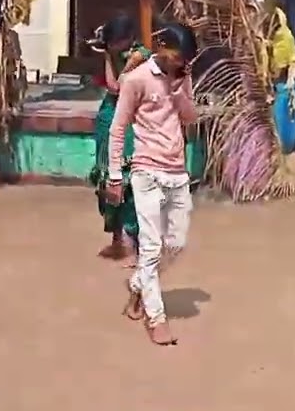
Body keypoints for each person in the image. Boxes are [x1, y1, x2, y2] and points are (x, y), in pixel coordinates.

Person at [106, 22, 200, 346]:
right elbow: (118, 129)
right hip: (146, 169)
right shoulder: (136, 80)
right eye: (177, 57)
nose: (180, 63)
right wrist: (115, 176)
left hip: (177, 171)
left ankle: (137, 286)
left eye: (184, 60)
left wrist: (178, 89)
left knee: (175, 243)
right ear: (161, 47)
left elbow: (190, 117)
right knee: (150, 246)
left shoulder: (182, 76)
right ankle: (156, 318)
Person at [90, 14, 150, 264]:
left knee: (128, 179)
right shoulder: (116, 52)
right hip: (108, 116)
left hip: (129, 119)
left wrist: (106, 55)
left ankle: (134, 242)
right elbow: (108, 88)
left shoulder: (139, 56)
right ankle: (117, 238)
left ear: (126, 39)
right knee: (106, 178)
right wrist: (106, 53)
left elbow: (116, 86)